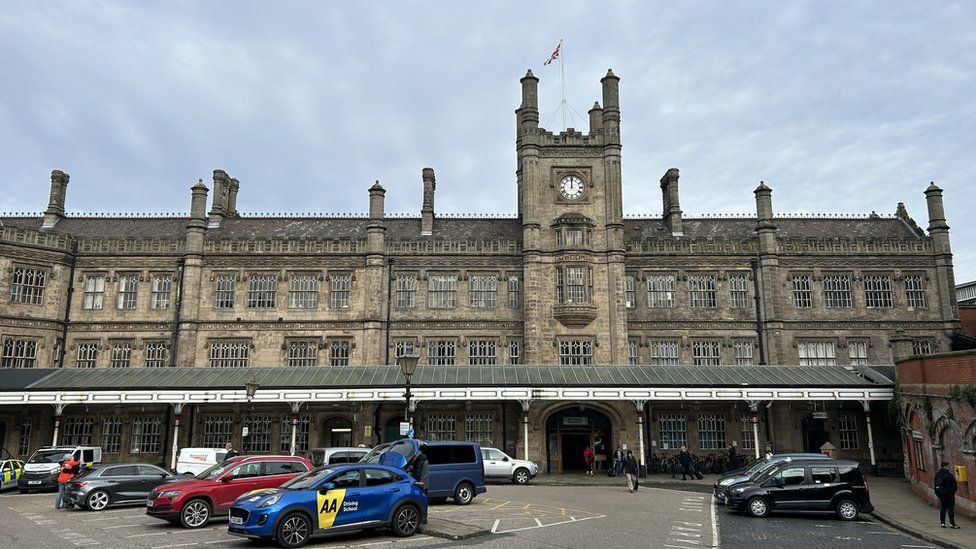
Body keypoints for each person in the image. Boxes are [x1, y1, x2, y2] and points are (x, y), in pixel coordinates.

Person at [934, 461, 959, 529]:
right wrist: (952, 492)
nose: (949, 468)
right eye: (948, 466)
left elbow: (936, 485)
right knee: (950, 509)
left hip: (941, 495)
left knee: (943, 508)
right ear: (946, 467)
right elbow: (955, 485)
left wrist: (939, 494)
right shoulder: (949, 475)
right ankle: (952, 524)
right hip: (949, 494)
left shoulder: (937, 474)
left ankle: (942, 523)